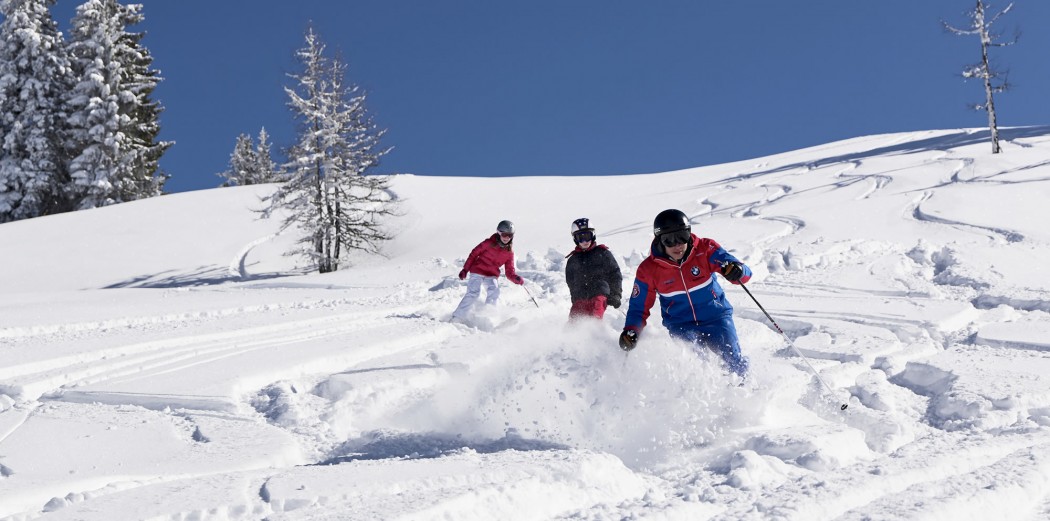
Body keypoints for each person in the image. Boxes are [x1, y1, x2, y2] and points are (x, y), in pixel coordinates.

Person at [618, 209, 752, 377]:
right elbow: (639, 308)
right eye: (669, 240)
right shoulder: (649, 270)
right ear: (659, 240)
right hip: (681, 325)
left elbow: (744, 273)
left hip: (716, 317)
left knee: (732, 358)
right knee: (696, 365)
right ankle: (704, 399)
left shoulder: (705, 249)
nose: (677, 245)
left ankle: (744, 392)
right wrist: (632, 330)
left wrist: (737, 271)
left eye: (682, 236)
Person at [451, 220, 525, 321]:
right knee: (473, 293)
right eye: (504, 234)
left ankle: (487, 317)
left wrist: (515, 278)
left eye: (510, 235)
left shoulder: (509, 253)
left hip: (491, 274)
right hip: (477, 270)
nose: (507, 238)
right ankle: (457, 317)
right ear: (499, 233)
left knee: (494, 292)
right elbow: (474, 254)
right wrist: (465, 269)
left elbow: (509, 271)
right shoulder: (488, 243)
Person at [564, 218, 623, 320]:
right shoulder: (573, 260)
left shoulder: (602, 253)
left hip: (599, 294)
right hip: (580, 298)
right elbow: (570, 281)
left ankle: (596, 334)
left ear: (593, 235)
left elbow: (615, 274)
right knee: (573, 321)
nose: (585, 241)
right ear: (575, 239)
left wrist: (615, 294)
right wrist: (574, 297)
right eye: (580, 238)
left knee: (595, 316)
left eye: (587, 236)